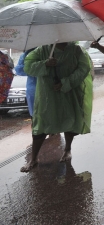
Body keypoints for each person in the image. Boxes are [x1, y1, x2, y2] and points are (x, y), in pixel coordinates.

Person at [21, 42, 93, 172]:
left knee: (69, 120)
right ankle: (34, 159)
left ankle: (67, 150)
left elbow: (84, 68)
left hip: (70, 92)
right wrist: (45, 64)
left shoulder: (77, 50)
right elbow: (27, 67)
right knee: (41, 125)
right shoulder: (41, 50)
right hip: (47, 95)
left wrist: (66, 82)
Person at [14, 48, 37, 116]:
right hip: (33, 86)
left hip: (44, 86)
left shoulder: (46, 53)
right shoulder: (26, 55)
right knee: (34, 112)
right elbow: (19, 70)